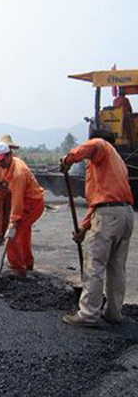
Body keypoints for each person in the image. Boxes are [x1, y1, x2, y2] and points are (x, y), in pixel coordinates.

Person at [60, 130, 134, 327]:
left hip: (109, 216)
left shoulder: (101, 145)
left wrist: (68, 159)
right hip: (125, 214)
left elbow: (95, 145)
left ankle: (88, 314)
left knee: (95, 265)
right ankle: (113, 313)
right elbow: (98, 202)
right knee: (117, 267)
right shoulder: (117, 163)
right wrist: (84, 228)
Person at [0, 142, 44, 276]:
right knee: (24, 234)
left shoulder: (18, 174)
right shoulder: (12, 162)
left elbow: (17, 199)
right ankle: (27, 263)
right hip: (30, 202)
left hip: (31, 204)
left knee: (13, 235)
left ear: (9, 155)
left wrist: (13, 220)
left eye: (1, 161)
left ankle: (18, 269)